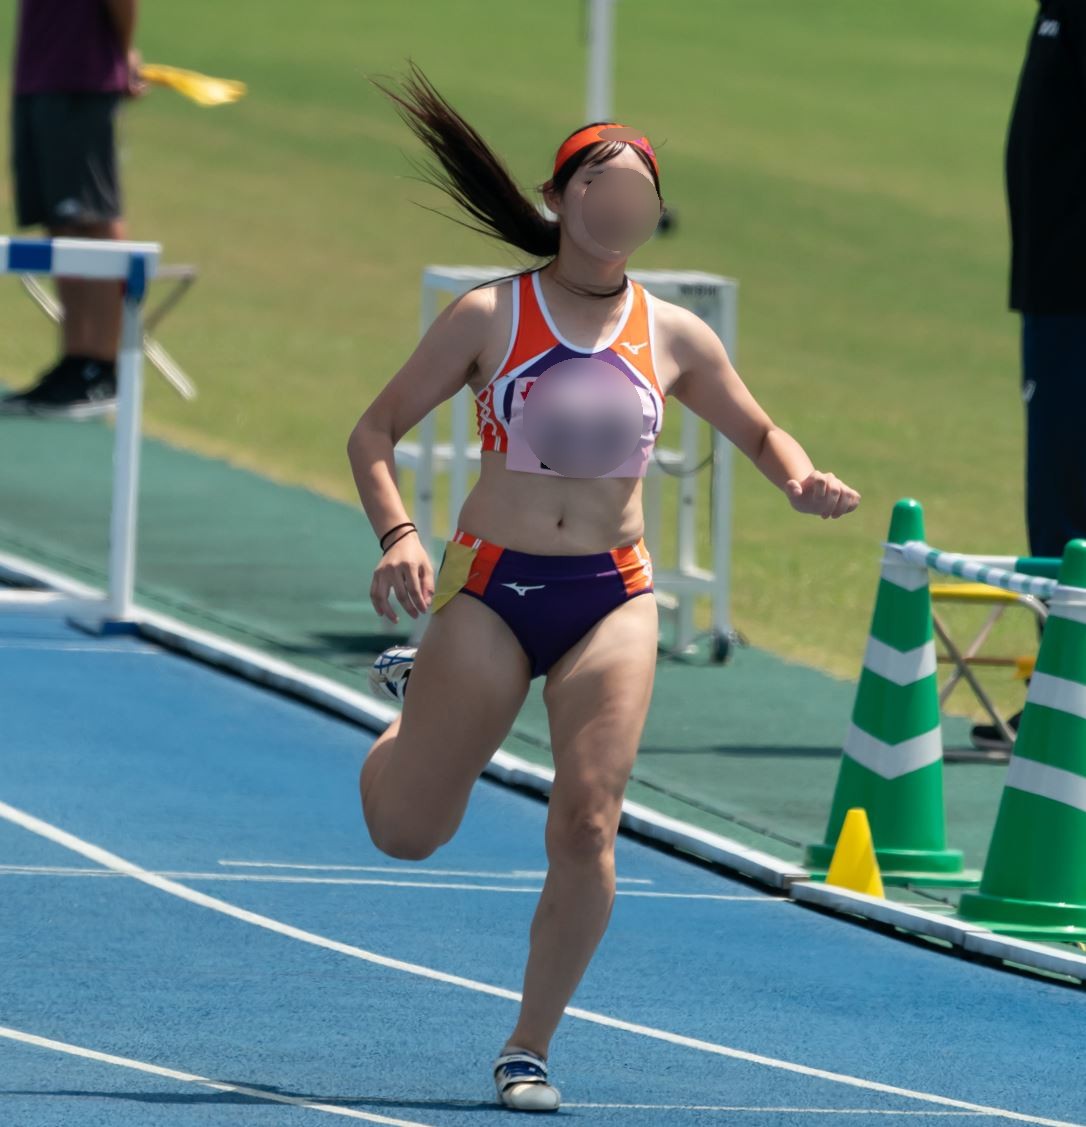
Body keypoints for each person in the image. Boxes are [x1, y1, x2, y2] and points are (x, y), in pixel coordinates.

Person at [346, 64, 861, 1112]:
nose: (620, 204)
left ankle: (527, 1045)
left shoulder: (674, 333)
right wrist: (399, 534)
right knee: (407, 831)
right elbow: (373, 432)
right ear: (558, 198)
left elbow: (759, 428)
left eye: (638, 191)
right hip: (491, 588)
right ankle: (414, 710)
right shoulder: (491, 314)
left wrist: (800, 476)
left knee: (587, 822)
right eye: (600, 185)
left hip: (613, 595)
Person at [971, 0, 1086, 751]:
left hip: (1075, 295)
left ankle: (1067, 709)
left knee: (1067, 502)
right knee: (1060, 502)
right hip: (1055, 292)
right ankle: (1063, 696)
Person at [1, 0, 144, 418]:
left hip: (81, 76)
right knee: (61, 222)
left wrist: (123, 53)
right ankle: (75, 358)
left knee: (91, 218)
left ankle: (101, 367)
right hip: (37, 75)